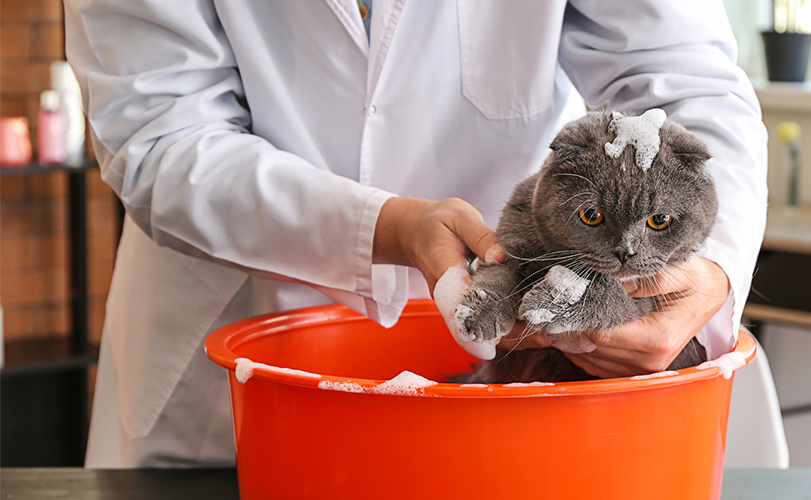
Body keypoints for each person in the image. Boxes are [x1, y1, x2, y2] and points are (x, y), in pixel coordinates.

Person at [66, 0, 769, 467]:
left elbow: (685, 83)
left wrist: (702, 270)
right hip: (229, 372)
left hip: (536, 370)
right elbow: (160, 137)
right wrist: (388, 226)